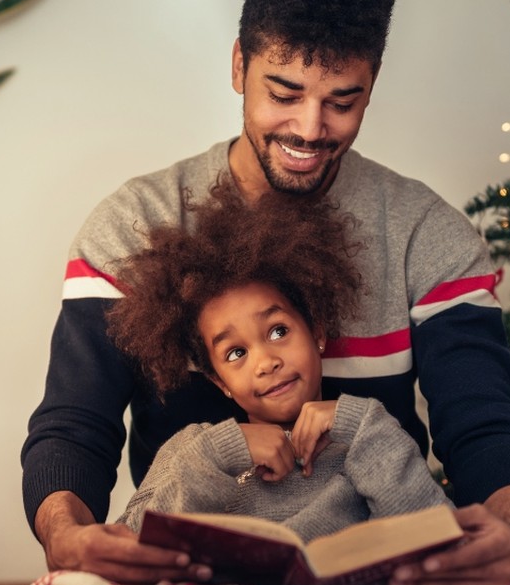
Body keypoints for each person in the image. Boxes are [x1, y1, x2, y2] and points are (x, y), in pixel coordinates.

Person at [22, 0, 510, 585]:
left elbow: (485, 427)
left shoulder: (425, 236)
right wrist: (68, 535)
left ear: (373, 81)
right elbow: (74, 427)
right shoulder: (132, 227)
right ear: (240, 63)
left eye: (342, 101)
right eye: (284, 92)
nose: (309, 129)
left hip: (375, 576)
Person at [106, 185, 453, 547]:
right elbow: (129, 542)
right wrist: (222, 450)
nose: (266, 362)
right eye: (236, 353)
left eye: (278, 331)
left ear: (317, 332)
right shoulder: (196, 452)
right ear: (219, 381)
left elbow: (435, 534)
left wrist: (359, 424)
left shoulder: (366, 436)